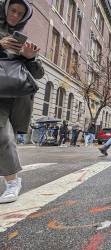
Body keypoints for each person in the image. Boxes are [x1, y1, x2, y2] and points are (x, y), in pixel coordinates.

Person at [0, 0, 44, 204]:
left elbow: (39, 74)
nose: (15, 15)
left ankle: (12, 182)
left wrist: (29, 57)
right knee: (2, 137)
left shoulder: (22, 40)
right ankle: (12, 181)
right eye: (12, 10)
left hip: (14, 95)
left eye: (20, 13)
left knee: (3, 136)